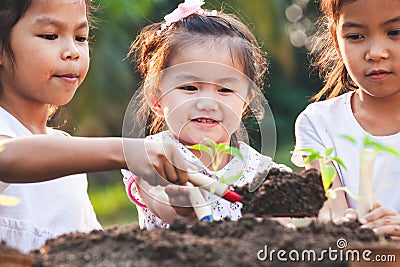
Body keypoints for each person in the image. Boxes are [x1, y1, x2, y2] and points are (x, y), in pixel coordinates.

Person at [0, 0, 193, 253]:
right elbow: (9, 157)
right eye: (50, 35)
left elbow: (96, 248)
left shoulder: (68, 155)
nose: (72, 51)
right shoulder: (16, 139)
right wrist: (126, 152)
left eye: (80, 37)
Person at [122, 0, 290, 230]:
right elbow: (168, 208)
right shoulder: (152, 158)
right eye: (190, 88)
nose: (208, 104)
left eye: (225, 90)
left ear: (245, 102)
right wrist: (183, 199)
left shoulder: (262, 172)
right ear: (156, 99)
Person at [291, 0, 400, 237]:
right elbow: (332, 206)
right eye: (356, 36)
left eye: (395, 32)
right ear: (336, 41)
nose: (376, 53)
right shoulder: (319, 122)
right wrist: (343, 224)